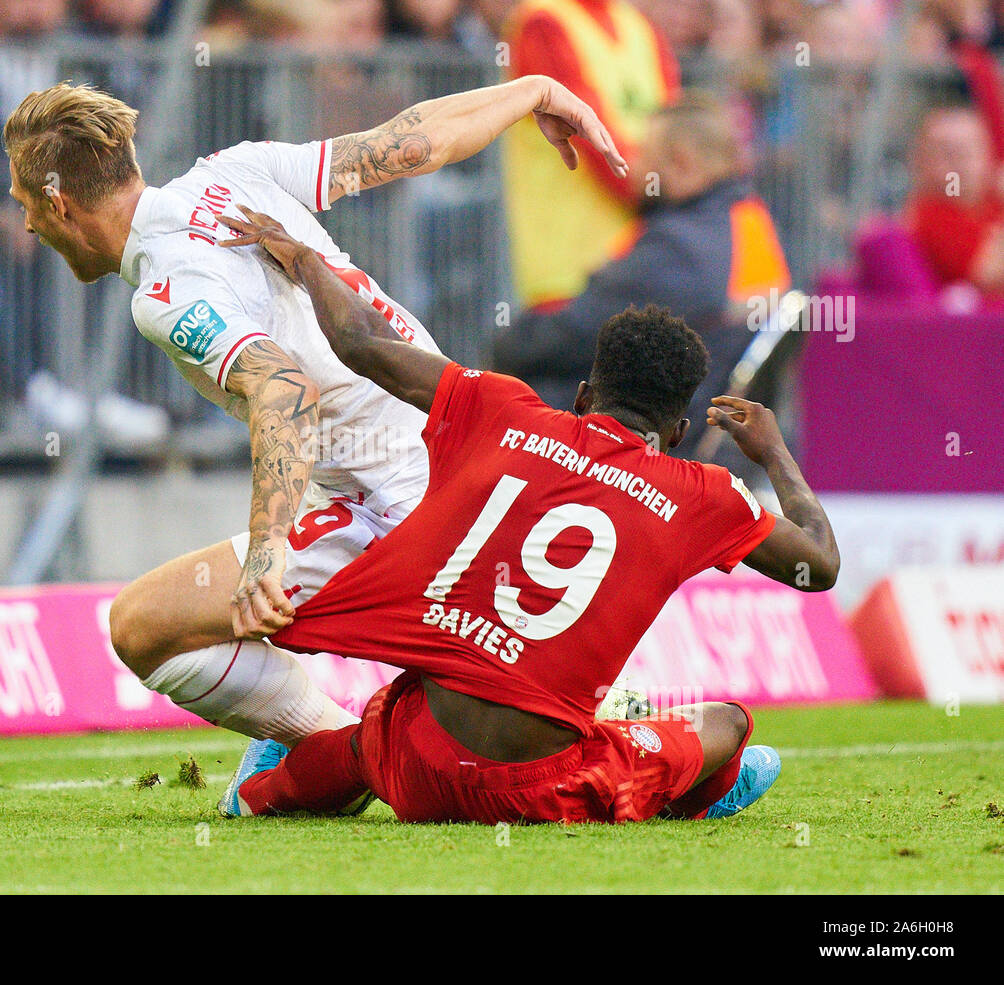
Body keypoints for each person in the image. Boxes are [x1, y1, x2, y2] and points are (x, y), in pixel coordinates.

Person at [1, 77, 626, 761]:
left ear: (59, 204)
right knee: (519, 722)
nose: (27, 223)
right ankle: (363, 748)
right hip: (464, 454)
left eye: (27, 203)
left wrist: (266, 552)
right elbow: (408, 144)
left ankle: (345, 753)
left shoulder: (164, 290)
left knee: (142, 625)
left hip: (400, 501)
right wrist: (532, 91)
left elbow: (283, 388)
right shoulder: (233, 170)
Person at [211, 206, 840, 826]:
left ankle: (264, 792)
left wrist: (304, 259)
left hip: (415, 766)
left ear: (585, 398)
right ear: (676, 432)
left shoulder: (502, 408)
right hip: (540, 794)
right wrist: (775, 452)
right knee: (728, 725)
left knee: (370, 738)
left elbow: (361, 342)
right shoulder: (705, 494)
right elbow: (822, 565)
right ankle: (683, 793)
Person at [492, 94, 790, 422]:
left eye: (644, 155)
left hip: (653, 430)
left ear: (681, 163)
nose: (634, 169)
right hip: (704, 422)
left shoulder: (676, 248)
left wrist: (507, 344)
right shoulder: (750, 221)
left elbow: (565, 339)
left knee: (503, 395)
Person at [502, 0, 679, 310]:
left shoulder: (638, 25)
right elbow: (592, 137)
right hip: (568, 268)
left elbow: (675, 123)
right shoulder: (542, 22)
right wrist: (674, 196)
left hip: (638, 259)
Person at [907, 104, 1004, 300]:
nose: (959, 164)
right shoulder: (931, 214)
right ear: (922, 162)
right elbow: (987, 276)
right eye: (948, 153)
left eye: (968, 151)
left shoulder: (990, 202)